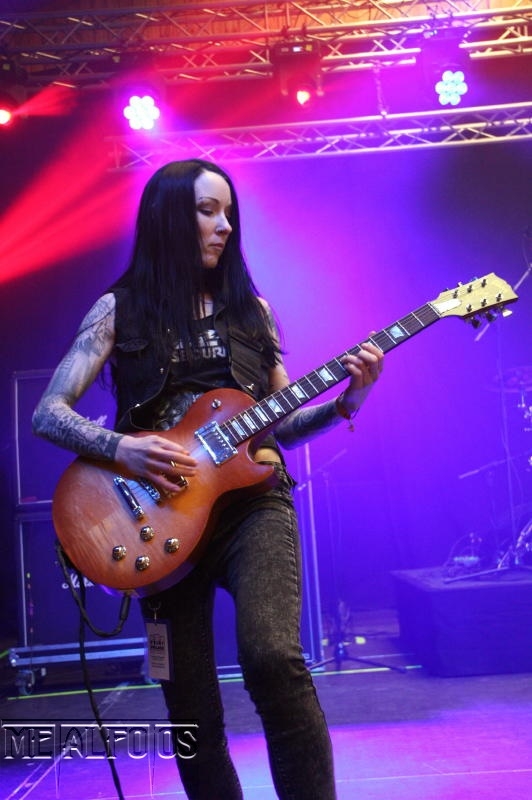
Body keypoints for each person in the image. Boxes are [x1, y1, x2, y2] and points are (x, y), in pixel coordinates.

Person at [32, 159, 384, 799]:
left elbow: (282, 425)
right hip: (158, 521)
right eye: (207, 210)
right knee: (191, 708)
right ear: (169, 216)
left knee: (273, 657)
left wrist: (346, 403)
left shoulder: (253, 312)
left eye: (228, 212)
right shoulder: (118, 310)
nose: (225, 225)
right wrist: (122, 448)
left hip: (253, 507)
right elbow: (47, 413)